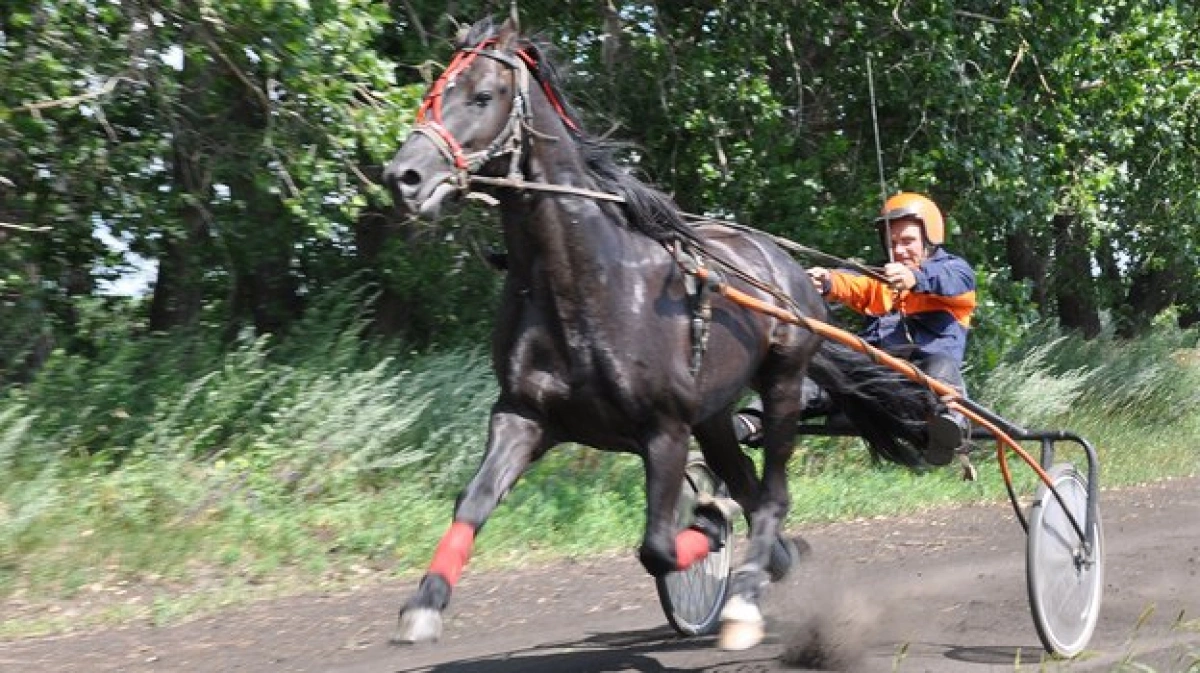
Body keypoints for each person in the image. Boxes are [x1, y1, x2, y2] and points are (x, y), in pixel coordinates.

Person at [735, 192, 976, 466]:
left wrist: (915, 278)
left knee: (941, 365)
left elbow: (954, 279)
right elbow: (854, 282)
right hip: (870, 384)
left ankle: (949, 423)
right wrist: (826, 281)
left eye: (908, 241)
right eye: (892, 242)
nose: (899, 250)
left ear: (930, 239)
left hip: (918, 387)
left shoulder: (953, 274)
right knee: (812, 376)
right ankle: (748, 422)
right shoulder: (882, 280)